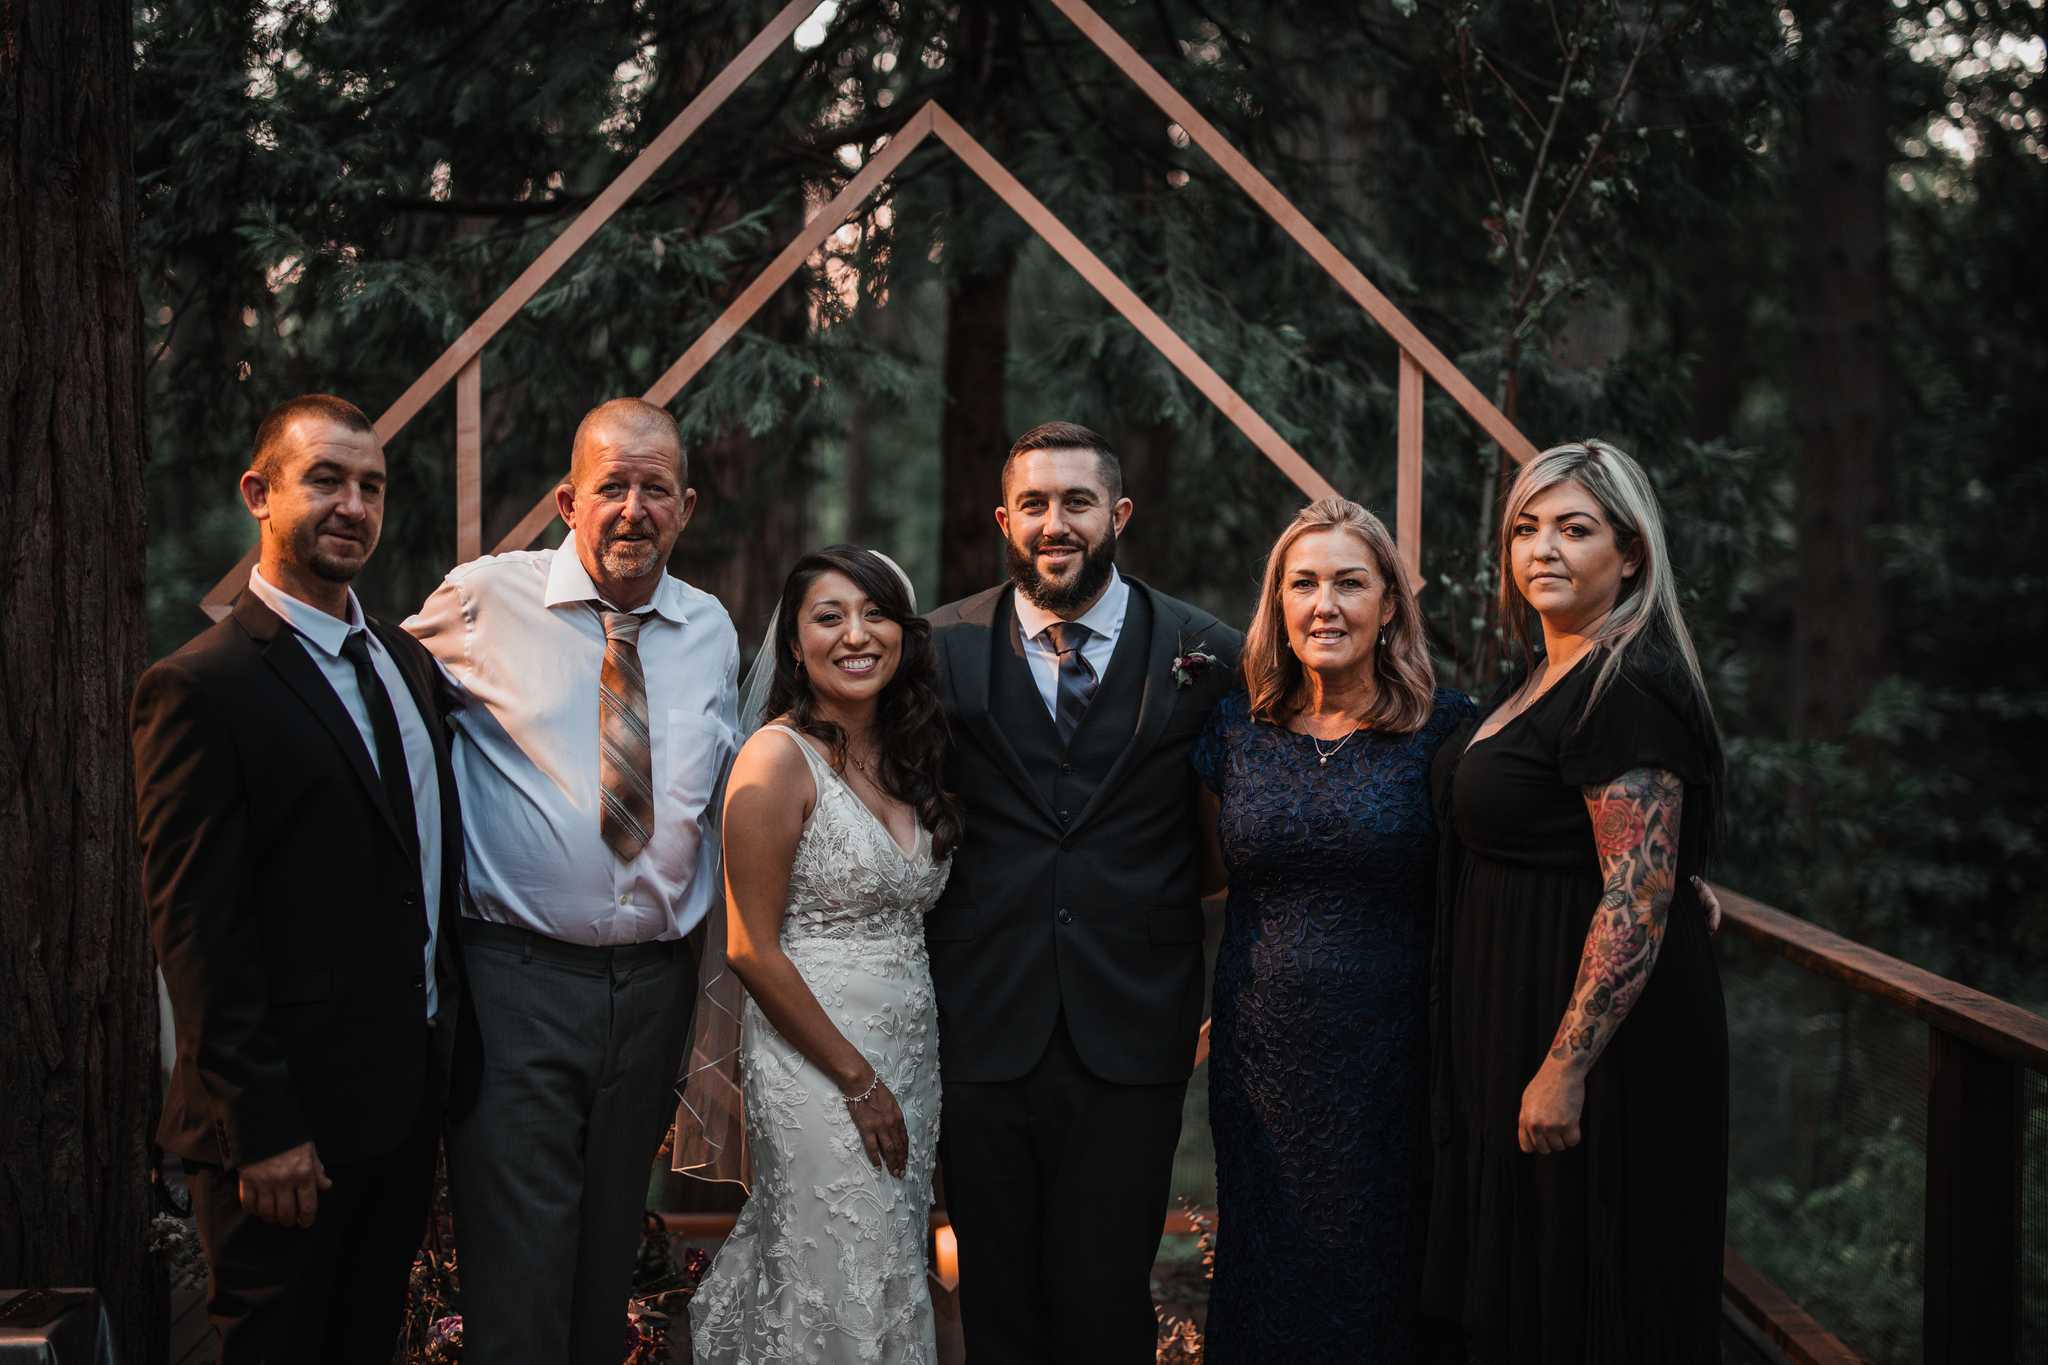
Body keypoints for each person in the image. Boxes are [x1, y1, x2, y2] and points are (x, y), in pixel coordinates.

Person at [132, 394, 466, 1363]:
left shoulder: (405, 662)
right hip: (282, 1138)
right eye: (324, 479)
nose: (352, 505)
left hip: (397, 1113)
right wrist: (263, 1129)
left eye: (370, 486)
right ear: (258, 492)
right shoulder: (201, 685)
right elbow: (196, 929)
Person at [403, 397, 738, 1364]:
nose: (634, 508)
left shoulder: (710, 629)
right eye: (612, 487)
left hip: (657, 986)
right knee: (520, 1257)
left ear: (687, 507)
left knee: (608, 1254)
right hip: (518, 981)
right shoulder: (478, 601)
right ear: (567, 500)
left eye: (656, 490)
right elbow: (380, 703)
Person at [925, 421, 1243, 1363]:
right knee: (995, 1297)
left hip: (1132, 1027)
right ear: (1004, 519)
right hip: (981, 1022)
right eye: (1034, 504)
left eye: (1076, 502)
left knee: (1107, 1297)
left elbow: (1225, 838)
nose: (1055, 522)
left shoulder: (1206, 651)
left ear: (1119, 514)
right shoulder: (938, 646)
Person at [1423, 438, 1728, 1363]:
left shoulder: (1627, 682)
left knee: (1586, 1288)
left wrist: (1565, 1065)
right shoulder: (1539, 674)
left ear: (1629, 553)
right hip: (1511, 1010)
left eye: (1575, 528)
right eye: (1527, 528)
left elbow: (1633, 900)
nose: (1543, 548)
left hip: (1594, 1052)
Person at [1190, 497, 1473, 1361]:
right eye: (1303, 583)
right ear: (1278, 603)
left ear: (1390, 602)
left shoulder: (1446, 728)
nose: (1326, 605)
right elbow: (1193, 871)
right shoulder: (1236, 728)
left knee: (1378, 1281)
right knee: (1266, 1270)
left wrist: (1666, 875)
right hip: (1259, 1059)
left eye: (1351, 583)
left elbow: (1523, 840)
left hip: (1394, 1059)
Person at [688, 545, 960, 1363]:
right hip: (819, 1065)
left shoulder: (907, 757)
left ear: (904, 634)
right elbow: (750, 947)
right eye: (829, 616)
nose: (856, 634)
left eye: (875, 613)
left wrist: (890, 1078)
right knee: (829, 1269)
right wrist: (859, 1079)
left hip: (909, 1056)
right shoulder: (774, 759)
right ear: (795, 640)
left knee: (885, 1265)